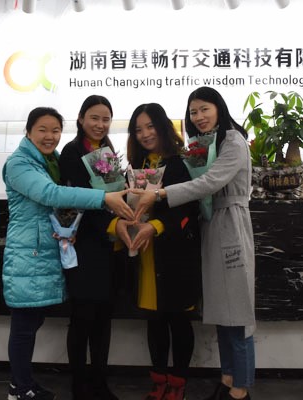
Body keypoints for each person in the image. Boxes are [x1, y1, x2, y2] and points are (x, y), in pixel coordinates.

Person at [2, 106, 134, 400]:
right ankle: (19, 388)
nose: (50, 136)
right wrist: (104, 198)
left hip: (43, 250)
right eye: (42, 130)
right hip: (27, 252)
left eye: (55, 130)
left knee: (32, 321)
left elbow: (59, 204)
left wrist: (69, 225)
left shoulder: (50, 161)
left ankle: (23, 383)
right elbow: (51, 194)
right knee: (24, 325)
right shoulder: (19, 164)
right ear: (28, 131)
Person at [134, 87, 256, 400]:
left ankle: (241, 389)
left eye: (204, 109)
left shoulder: (233, 140)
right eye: (193, 112)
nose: (199, 116)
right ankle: (228, 379)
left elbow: (211, 182)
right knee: (221, 312)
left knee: (237, 313)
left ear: (218, 108)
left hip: (230, 226)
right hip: (211, 227)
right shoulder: (206, 144)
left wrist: (161, 194)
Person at [115, 103, 202, 400]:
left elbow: (188, 209)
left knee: (178, 320)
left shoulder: (179, 164)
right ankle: (159, 381)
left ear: (163, 126)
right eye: (138, 129)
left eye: (150, 126)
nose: (145, 134)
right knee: (154, 320)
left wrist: (157, 226)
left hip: (174, 256)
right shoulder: (135, 166)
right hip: (145, 254)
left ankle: (178, 383)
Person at [58, 95, 121, 400]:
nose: (100, 124)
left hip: (108, 247)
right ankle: (79, 384)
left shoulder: (107, 152)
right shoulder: (71, 153)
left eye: (105, 119)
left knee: (103, 319)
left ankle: (99, 381)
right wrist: (113, 223)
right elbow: (79, 200)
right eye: (94, 118)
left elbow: (114, 194)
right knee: (82, 318)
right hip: (82, 246)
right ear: (81, 119)